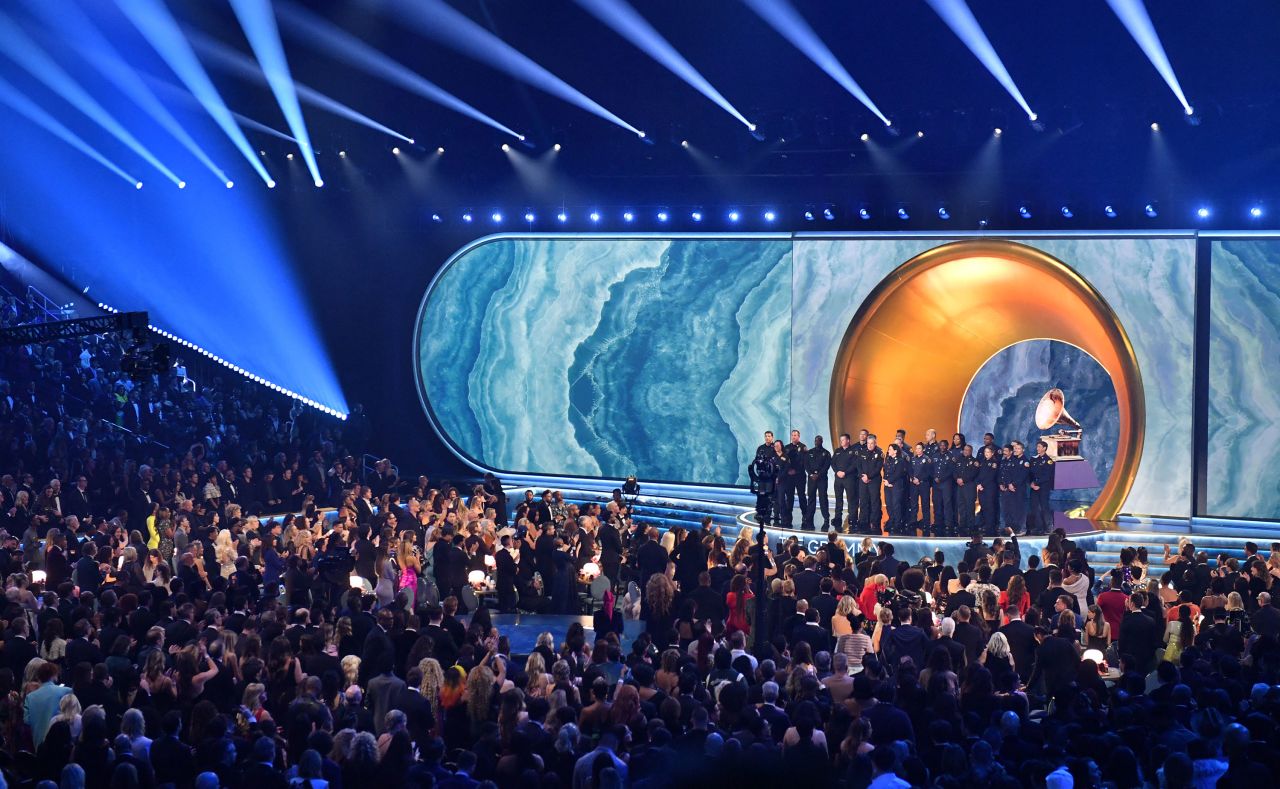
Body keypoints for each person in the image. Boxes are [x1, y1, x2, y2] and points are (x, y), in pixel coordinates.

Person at [856, 434, 884, 533]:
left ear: (875, 443)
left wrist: (869, 477)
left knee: (874, 501)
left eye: (872, 443)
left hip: (874, 481)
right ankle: (863, 521)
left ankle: (874, 522)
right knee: (863, 501)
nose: (870, 445)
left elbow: (878, 468)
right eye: (868, 443)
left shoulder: (879, 453)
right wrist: (862, 476)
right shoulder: (861, 452)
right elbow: (858, 465)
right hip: (863, 480)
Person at [780, 430, 807, 529]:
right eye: (792, 435)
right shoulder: (786, 447)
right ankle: (788, 518)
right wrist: (789, 470)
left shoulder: (803, 447)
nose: (794, 437)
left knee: (802, 496)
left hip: (800, 476)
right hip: (789, 477)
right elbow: (784, 462)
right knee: (789, 497)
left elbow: (804, 462)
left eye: (795, 435)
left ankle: (805, 517)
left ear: (799, 436)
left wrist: (796, 471)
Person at [831, 433, 858, 534]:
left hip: (849, 478)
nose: (841, 441)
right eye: (840, 440)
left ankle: (852, 519)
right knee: (838, 499)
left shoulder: (854, 451)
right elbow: (832, 463)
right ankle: (838, 518)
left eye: (843, 440)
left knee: (851, 499)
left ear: (848, 440)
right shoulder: (838, 451)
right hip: (838, 479)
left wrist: (845, 472)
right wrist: (837, 471)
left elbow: (854, 464)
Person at [802, 436, 831, 530]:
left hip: (821, 479)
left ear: (822, 441)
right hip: (811, 479)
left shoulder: (826, 453)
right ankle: (809, 518)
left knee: (823, 498)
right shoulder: (809, 452)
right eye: (815, 440)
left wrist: (818, 474)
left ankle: (826, 519)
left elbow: (826, 466)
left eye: (819, 440)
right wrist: (810, 474)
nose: (817, 442)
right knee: (811, 498)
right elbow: (806, 464)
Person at [1028, 441, 1056, 534]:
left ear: (1044, 448)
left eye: (1039, 447)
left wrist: (1036, 483)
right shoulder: (1034, 460)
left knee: (1044, 507)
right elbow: (1030, 473)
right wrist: (1031, 483)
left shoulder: (1049, 461)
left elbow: (1047, 476)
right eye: (1037, 447)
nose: (1037, 448)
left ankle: (1049, 527)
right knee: (1035, 508)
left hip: (1043, 488)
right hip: (1034, 487)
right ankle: (1038, 527)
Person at [882, 443, 908, 535]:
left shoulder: (900, 461)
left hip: (896, 485)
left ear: (895, 451)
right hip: (887, 485)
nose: (888, 451)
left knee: (896, 504)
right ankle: (891, 520)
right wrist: (885, 481)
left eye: (890, 449)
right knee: (889, 504)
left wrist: (889, 481)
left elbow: (898, 473)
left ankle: (897, 523)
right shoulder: (888, 460)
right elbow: (885, 471)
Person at [907, 443, 932, 535]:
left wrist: (919, 479)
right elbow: (910, 470)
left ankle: (926, 523)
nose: (917, 450)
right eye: (916, 448)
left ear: (923, 449)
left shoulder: (927, 459)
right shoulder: (912, 459)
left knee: (925, 504)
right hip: (913, 484)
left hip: (923, 484)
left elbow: (928, 472)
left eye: (919, 448)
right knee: (913, 504)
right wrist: (913, 478)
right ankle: (913, 521)